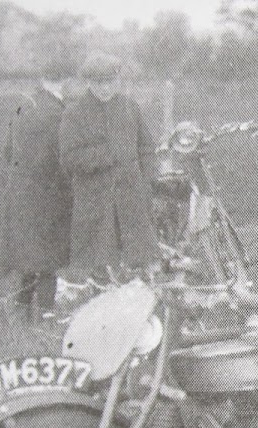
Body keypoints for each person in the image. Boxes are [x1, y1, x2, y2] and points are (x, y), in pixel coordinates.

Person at [58, 52, 158, 281]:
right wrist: (106, 155)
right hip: (96, 203)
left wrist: (146, 182)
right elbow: (68, 158)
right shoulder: (74, 114)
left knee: (139, 268)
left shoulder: (130, 108)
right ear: (88, 83)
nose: (105, 88)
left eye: (110, 82)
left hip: (132, 200)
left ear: (118, 79)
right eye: (98, 83)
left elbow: (146, 148)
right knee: (99, 270)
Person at [0, 63, 73, 321]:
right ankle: (45, 317)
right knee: (49, 260)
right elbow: (63, 160)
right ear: (66, 81)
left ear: (42, 79)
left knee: (30, 256)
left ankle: (21, 312)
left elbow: (8, 152)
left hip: (20, 192)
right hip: (49, 194)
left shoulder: (24, 106)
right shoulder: (60, 113)